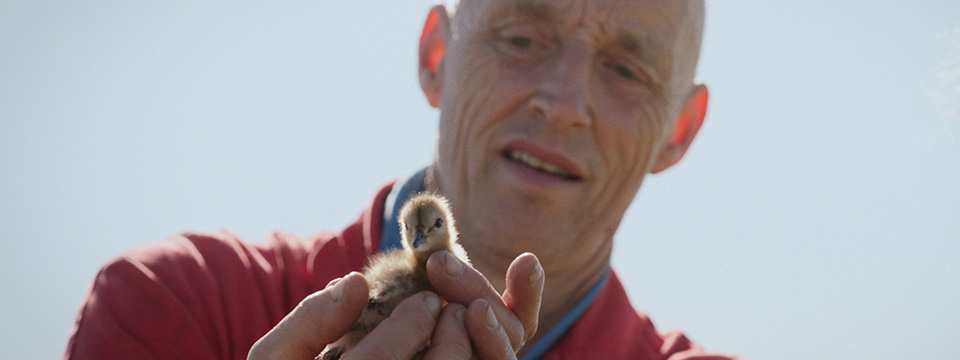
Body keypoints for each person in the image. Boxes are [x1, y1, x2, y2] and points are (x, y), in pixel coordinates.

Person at [65, 0, 739, 359]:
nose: (563, 103)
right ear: (436, 55)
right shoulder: (182, 306)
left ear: (679, 129)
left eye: (626, 70)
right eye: (523, 36)